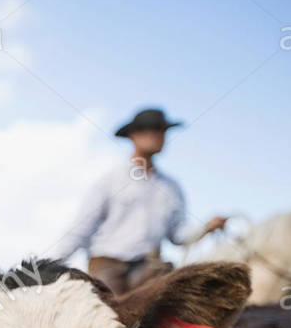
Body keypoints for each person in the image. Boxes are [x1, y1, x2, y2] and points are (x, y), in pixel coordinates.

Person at [53, 108, 228, 294]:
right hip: (108, 266)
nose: (156, 136)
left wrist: (206, 227)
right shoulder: (110, 181)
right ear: (132, 136)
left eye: (160, 131)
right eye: (148, 130)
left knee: (177, 303)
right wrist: (49, 266)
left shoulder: (171, 188)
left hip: (149, 267)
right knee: (108, 315)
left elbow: (178, 235)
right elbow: (82, 228)